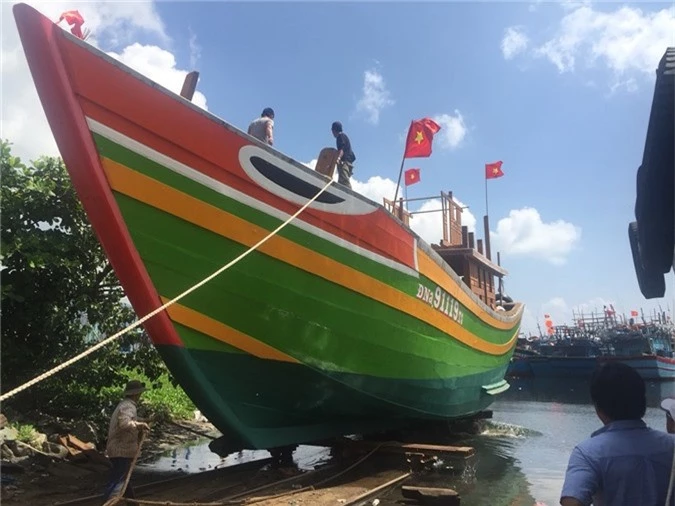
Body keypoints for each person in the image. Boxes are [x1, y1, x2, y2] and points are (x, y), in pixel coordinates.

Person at [560, 362, 675, 506]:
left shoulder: (588, 453)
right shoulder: (671, 445)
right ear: (643, 403)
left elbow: (572, 502)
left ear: (598, 407)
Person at [102, 380, 151, 503]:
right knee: (118, 481)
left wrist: (145, 420)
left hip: (119, 448)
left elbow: (130, 419)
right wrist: (140, 425)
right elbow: (125, 423)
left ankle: (132, 503)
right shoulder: (129, 406)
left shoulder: (124, 405)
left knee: (124, 479)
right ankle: (109, 503)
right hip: (121, 449)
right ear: (136, 394)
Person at [331, 121, 356, 188]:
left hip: (345, 163)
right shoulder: (344, 136)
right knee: (341, 183)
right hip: (348, 163)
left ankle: (350, 197)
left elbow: (341, 150)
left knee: (344, 182)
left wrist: (338, 158)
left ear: (334, 130)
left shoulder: (340, 136)